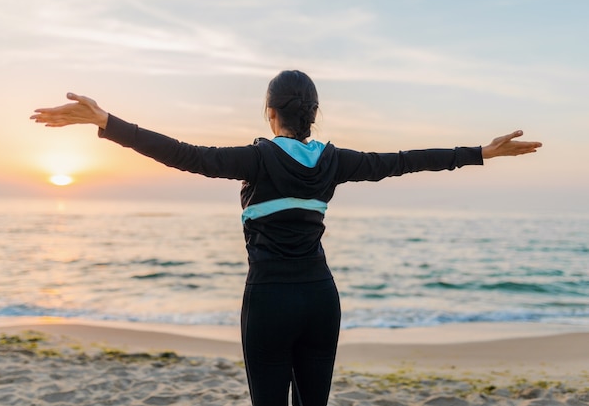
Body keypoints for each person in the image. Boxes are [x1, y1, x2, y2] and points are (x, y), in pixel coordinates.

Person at [30, 70, 542, 406]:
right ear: (313, 114)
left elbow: (183, 153)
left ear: (269, 112)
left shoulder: (255, 158)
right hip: (321, 298)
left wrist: (106, 122)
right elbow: (405, 161)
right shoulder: (335, 161)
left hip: (271, 300)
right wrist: (481, 152)